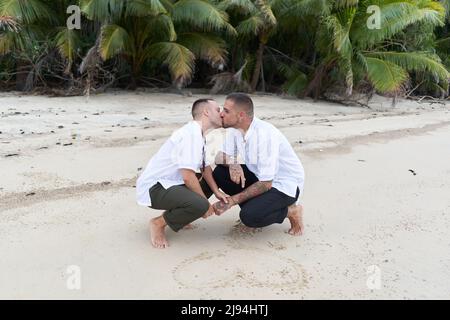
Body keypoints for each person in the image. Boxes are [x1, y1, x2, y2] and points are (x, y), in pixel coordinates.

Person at [136, 99, 229, 249]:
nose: (222, 114)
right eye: (218, 110)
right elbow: (187, 176)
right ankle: (158, 223)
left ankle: (182, 214)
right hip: (154, 188)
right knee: (199, 204)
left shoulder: (199, 134)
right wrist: (205, 206)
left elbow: (204, 168)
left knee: (210, 183)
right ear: (206, 112)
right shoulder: (190, 134)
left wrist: (216, 191)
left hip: (170, 184)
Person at [212, 93, 305, 235]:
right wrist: (232, 163)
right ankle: (256, 207)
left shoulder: (265, 136)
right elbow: (219, 157)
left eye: (226, 111)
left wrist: (232, 201)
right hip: (261, 177)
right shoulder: (236, 129)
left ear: (241, 115)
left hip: (285, 185)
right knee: (220, 173)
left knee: (249, 217)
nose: (221, 114)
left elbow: (266, 184)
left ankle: (291, 211)